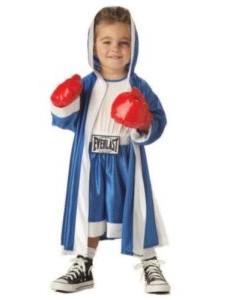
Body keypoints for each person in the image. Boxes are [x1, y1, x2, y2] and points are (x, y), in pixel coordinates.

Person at [49, 6, 170, 294]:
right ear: (93, 44)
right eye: (107, 41)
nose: (115, 49)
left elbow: (160, 122)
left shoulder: (139, 86)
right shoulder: (87, 85)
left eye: (123, 42)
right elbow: (64, 120)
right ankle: (83, 263)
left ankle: (150, 263)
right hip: (90, 161)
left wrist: (143, 123)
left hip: (126, 161)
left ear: (134, 46)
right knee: (88, 212)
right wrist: (61, 101)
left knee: (138, 210)